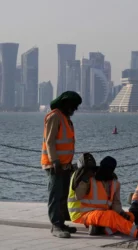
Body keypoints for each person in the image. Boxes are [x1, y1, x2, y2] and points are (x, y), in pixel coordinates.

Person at [68, 154, 138, 239]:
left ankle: (101, 229)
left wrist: (122, 214)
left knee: (130, 216)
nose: (103, 171)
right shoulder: (89, 179)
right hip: (85, 215)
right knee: (111, 216)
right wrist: (84, 180)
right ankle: (137, 232)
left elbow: (116, 205)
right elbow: (78, 196)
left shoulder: (114, 183)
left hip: (102, 214)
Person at [41, 91, 82, 238]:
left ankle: (61, 223)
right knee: (55, 195)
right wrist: (55, 161)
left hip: (65, 165)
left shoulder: (65, 118)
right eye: (73, 106)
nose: (75, 109)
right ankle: (56, 226)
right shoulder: (55, 116)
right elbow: (50, 141)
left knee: (63, 195)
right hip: (54, 165)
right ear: (66, 104)